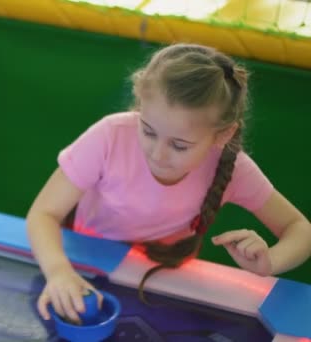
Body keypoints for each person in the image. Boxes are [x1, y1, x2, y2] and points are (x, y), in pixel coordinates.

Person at [26, 43, 311, 324]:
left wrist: (269, 262)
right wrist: (58, 270)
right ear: (140, 104)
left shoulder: (235, 168)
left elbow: (301, 230)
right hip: (85, 264)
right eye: (148, 131)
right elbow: (43, 214)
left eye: (180, 145)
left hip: (162, 279)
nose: (158, 154)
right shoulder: (109, 136)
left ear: (223, 135)